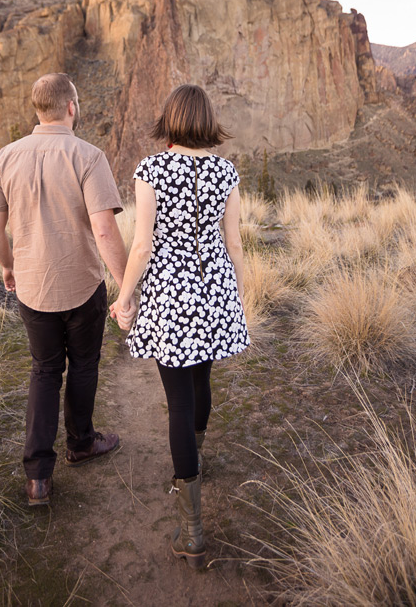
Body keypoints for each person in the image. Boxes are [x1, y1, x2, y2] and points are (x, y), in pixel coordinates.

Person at [109, 84, 249, 569]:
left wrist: (124, 298)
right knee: (202, 381)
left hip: (171, 296)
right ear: (207, 121)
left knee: (178, 402)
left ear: (170, 120)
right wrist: (239, 298)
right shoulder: (226, 171)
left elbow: (143, 246)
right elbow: (233, 245)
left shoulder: (151, 170)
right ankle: (198, 460)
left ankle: (191, 529)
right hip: (215, 292)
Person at [0, 73, 129, 507]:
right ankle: (81, 443)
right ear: (72, 106)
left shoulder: (6, 157)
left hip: (31, 286)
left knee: (45, 371)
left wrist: (8, 266)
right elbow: (105, 231)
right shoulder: (88, 155)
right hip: (83, 284)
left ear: (36, 109)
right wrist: (128, 288)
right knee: (84, 364)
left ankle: (38, 479)